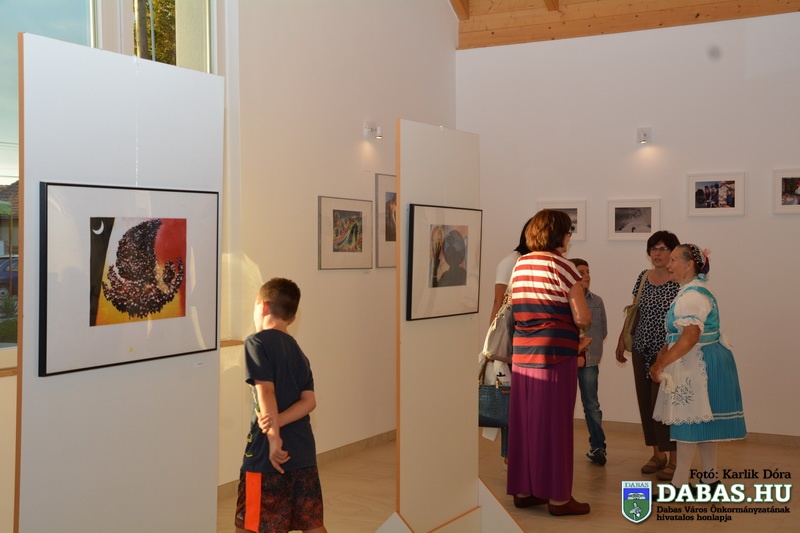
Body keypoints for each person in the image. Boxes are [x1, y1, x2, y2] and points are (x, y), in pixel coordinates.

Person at [506, 209, 592, 516]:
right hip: (555, 355)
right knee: (556, 426)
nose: (569, 238)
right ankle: (558, 498)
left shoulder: (520, 264)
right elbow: (582, 317)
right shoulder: (563, 266)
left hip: (522, 353)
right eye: (568, 232)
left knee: (524, 423)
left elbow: (516, 307)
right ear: (559, 234)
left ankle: (524, 490)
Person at [650, 244, 746, 490]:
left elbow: (690, 337)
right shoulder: (695, 291)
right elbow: (683, 334)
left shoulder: (692, 296)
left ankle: (679, 485)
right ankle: (710, 479)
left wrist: (661, 364)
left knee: (687, 421)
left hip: (698, 361)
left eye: (673, 260)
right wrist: (665, 351)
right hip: (702, 359)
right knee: (702, 422)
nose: (669, 265)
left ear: (689, 265)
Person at [235, 278, 327, 533]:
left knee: (250, 524)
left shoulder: (256, 342)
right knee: (311, 523)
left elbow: (266, 391)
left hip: (267, 455)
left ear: (262, 306)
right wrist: (279, 420)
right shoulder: (298, 352)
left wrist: (274, 437)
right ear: (293, 318)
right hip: (302, 452)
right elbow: (309, 401)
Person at [614, 230, 680, 481]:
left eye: (663, 249)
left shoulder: (679, 280)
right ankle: (657, 454)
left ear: (673, 252)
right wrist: (622, 338)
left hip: (667, 353)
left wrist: (671, 351)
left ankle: (674, 459)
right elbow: (634, 309)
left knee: (667, 405)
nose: (657, 253)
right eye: (653, 249)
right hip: (642, 348)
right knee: (647, 402)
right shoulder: (643, 277)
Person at [485, 217, 532, 463]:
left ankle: (520, 453)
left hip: (528, 338)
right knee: (509, 397)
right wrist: (491, 341)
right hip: (511, 339)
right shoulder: (510, 262)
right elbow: (498, 302)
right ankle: (510, 456)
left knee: (522, 400)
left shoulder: (532, 261)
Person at [570, 258, 608, 466]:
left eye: (588, 271)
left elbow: (603, 332)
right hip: (566, 360)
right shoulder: (562, 301)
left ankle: (598, 447)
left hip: (590, 362)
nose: (586, 276)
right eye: (581, 272)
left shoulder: (597, 301)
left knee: (592, 405)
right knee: (562, 406)